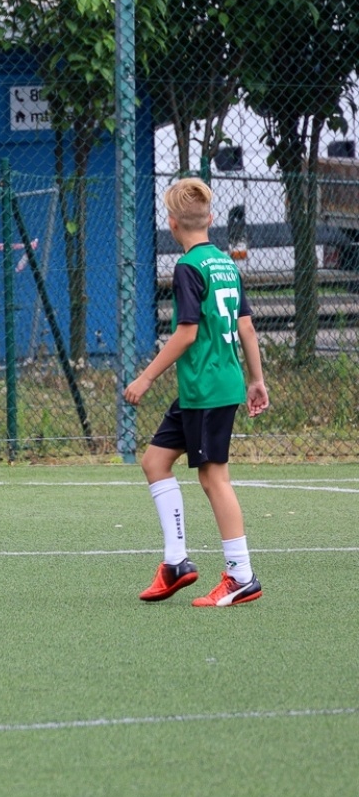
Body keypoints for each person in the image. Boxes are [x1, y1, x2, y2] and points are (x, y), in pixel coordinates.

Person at [125, 177, 268, 607]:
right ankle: (176, 564)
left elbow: (186, 334)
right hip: (204, 388)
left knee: (213, 477)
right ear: (208, 219)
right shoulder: (225, 263)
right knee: (155, 461)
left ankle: (241, 574)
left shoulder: (188, 268)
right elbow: (245, 326)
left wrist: (146, 376)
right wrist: (256, 379)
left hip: (207, 389)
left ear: (171, 223)